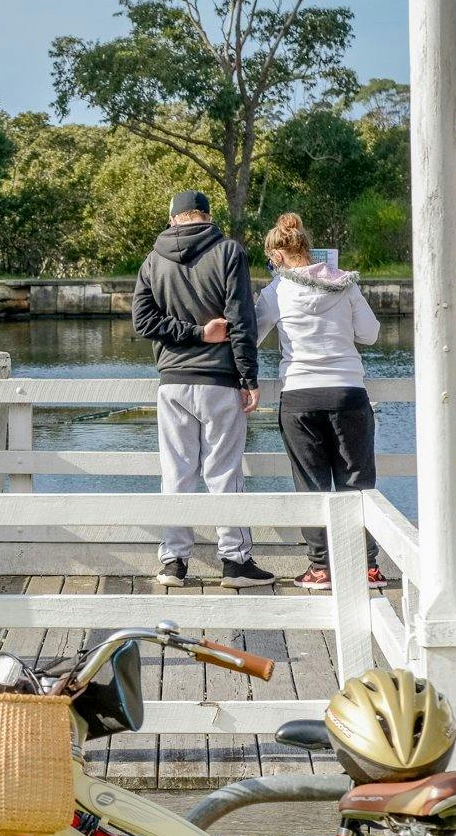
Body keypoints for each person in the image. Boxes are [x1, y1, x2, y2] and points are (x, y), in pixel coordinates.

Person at [131, 190, 275, 588]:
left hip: (173, 384)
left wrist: (191, 333)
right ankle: (235, 561)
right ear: (206, 216)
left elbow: (143, 322)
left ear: (173, 218)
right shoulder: (228, 252)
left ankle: (173, 562)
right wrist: (248, 378)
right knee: (224, 472)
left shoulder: (153, 259)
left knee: (176, 474)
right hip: (218, 382)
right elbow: (241, 321)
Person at [257, 212, 387, 591]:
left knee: (311, 485)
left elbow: (251, 333)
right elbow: (371, 334)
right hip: (348, 391)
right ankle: (366, 566)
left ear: (278, 256)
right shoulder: (345, 285)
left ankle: (321, 568)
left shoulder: (275, 293)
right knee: (357, 481)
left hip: (300, 395)